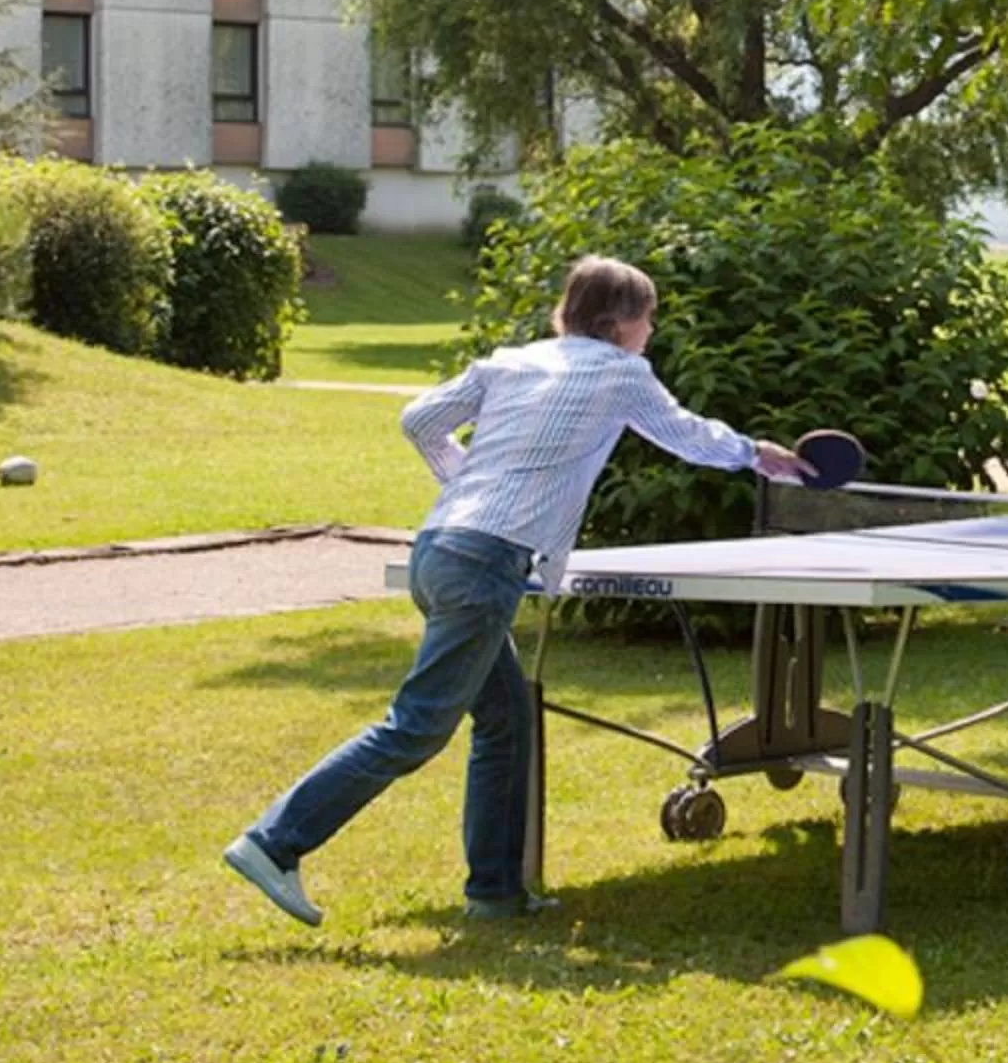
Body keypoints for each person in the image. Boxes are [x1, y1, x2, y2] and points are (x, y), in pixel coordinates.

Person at [224, 255, 805, 927]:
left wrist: (468, 482)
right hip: (482, 563)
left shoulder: (512, 361)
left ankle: (496, 892)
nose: (651, 330)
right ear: (617, 324)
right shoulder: (623, 374)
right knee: (415, 727)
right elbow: (688, 436)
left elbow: (418, 418)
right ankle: (275, 842)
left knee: (505, 720)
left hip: (438, 548)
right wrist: (759, 454)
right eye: (648, 317)